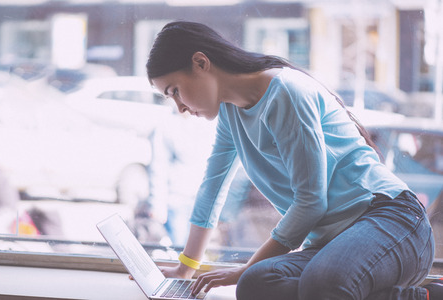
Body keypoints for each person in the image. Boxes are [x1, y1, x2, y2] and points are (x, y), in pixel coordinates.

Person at [145, 20, 442, 300]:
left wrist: (245, 265)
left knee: (321, 282)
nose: (179, 107)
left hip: (393, 221)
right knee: (255, 284)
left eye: (175, 91)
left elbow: (311, 203)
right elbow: (212, 189)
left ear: (201, 63)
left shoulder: (286, 92)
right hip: (332, 243)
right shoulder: (231, 113)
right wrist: (186, 266)